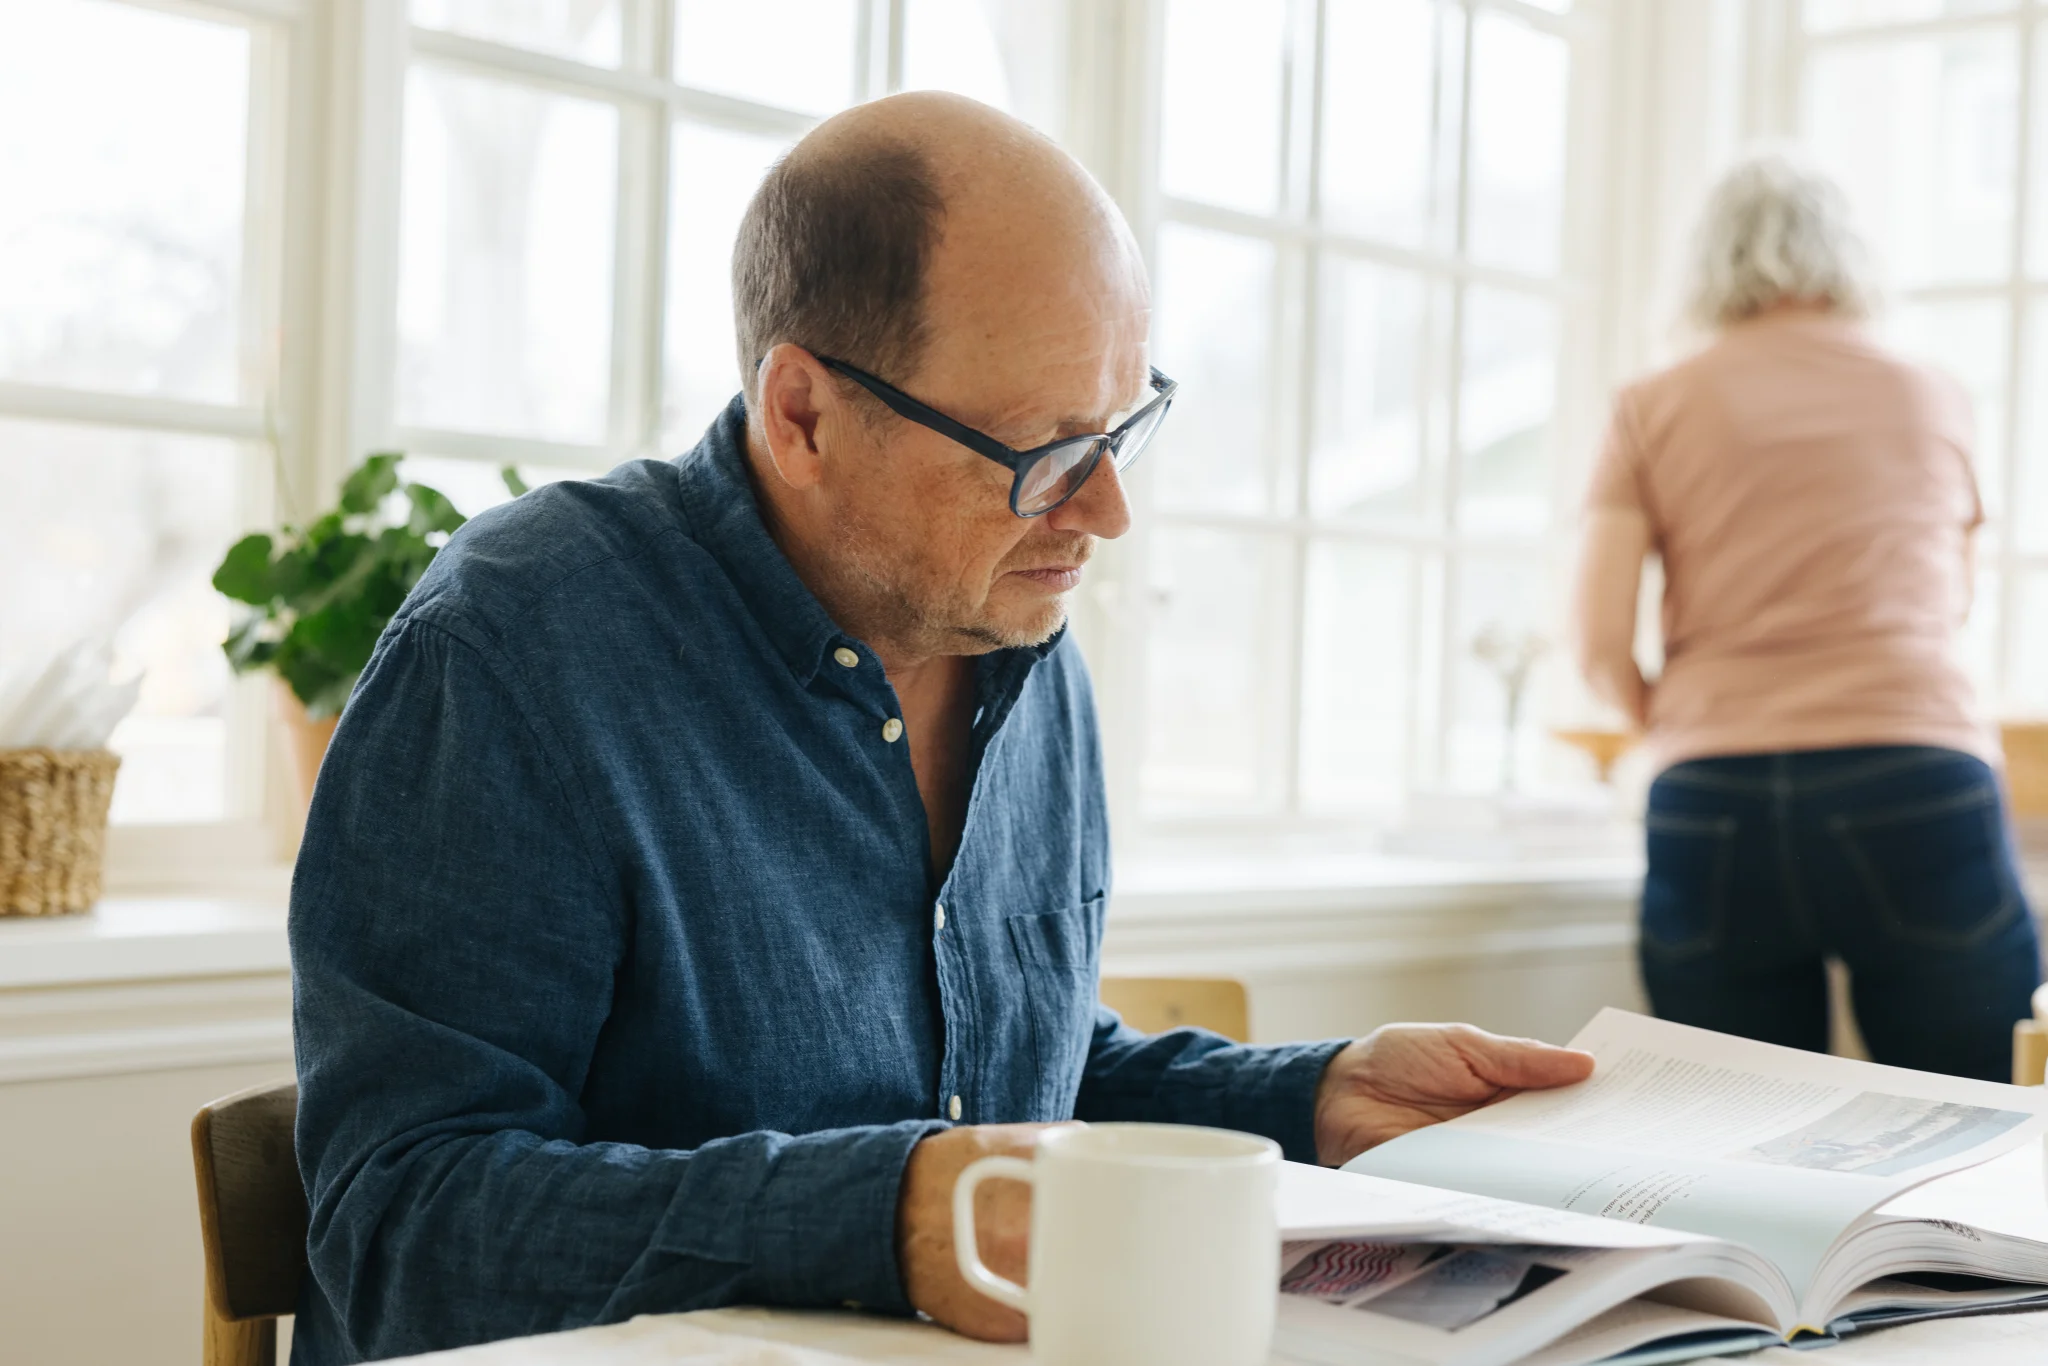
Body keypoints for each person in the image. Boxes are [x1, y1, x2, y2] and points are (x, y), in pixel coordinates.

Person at [289, 92, 1595, 1365]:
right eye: (1040, 452)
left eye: (1123, 430)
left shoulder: (1023, 646)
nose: (1103, 515)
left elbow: (1005, 1079)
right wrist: (882, 1214)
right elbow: (402, 1232)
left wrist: (1308, 1098)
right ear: (801, 414)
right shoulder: (518, 647)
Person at [1571, 150, 2043, 1083]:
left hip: (1715, 794)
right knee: (1985, 1123)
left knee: (1739, 1142)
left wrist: (1687, 719)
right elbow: (1949, 596)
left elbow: (1596, 640)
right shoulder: (1931, 392)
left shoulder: (1654, 402)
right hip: (1917, 774)